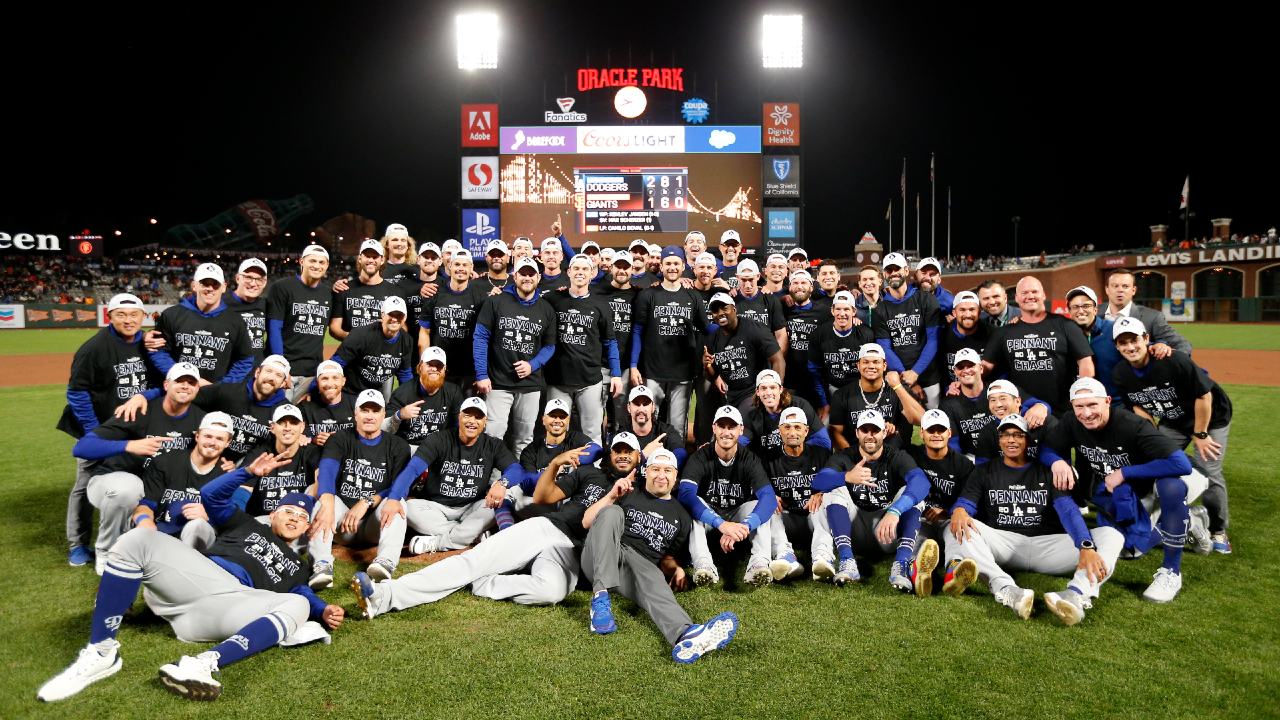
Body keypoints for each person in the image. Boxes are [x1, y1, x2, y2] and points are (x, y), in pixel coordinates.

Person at [36, 455, 342, 703]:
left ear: (306, 529)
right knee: (139, 539)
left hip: (225, 610)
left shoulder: (299, 567)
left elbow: (310, 599)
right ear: (273, 514)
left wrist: (325, 610)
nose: (294, 519)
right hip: (197, 578)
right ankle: (102, 653)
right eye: (288, 511)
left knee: (299, 604)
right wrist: (246, 472)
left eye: (302, 518)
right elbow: (210, 495)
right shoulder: (245, 523)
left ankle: (203, 663)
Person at [351, 439, 625, 616]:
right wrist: (554, 463)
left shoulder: (640, 495)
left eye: (629, 452)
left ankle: (485, 583)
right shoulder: (591, 473)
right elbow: (542, 497)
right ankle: (383, 596)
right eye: (618, 450)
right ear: (609, 454)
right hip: (547, 528)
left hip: (572, 552)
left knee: (551, 592)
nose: (622, 456)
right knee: (471, 562)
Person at [944, 413, 1124, 624]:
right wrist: (959, 509)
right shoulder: (984, 470)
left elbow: (1068, 511)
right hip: (1005, 545)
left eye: (1018, 435)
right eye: (1005, 435)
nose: (1011, 440)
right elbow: (967, 503)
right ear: (999, 440)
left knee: (1111, 535)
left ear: (1027, 440)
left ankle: (1077, 594)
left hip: (1048, 547)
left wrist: (1085, 546)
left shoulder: (1048, 472)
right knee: (955, 524)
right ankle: (1007, 590)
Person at [1041, 378, 1204, 602]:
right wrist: (1057, 462)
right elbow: (1046, 449)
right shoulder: (1072, 421)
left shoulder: (1131, 424)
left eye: (1092, 405)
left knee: (1171, 486)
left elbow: (1181, 465)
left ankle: (1171, 572)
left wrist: (1125, 472)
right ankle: (1188, 520)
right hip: (1131, 489)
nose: (1086, 413)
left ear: (1107, 401)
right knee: (1129, 551)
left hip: (1178, 475)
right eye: (1079, 406)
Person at [581, 449, 740, 663]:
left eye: (667, 470)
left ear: (676, 476)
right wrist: (611, 496)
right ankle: (600, 600)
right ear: (646, 472)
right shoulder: (628, 491)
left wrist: (675, 568)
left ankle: (686, 635)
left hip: (634, 570)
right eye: (655, 469)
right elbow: (586, 522)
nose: (661, 475)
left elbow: (666, 558)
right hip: (601, 555)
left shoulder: (682, 517)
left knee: (654, 575)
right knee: (612, 512)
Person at [1111, 317, 1232, 554]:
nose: (1130, 347)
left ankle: (1218, 530)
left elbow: (1204, 396)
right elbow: (1139, 407)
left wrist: (1201, 433)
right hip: (1173, 421)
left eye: (1134, 340)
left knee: (1210, 471)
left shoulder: (1173, 360)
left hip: (1210, 418)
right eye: (1123, 342)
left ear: (1146, 339)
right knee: (1155, 464)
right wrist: (1152, 437)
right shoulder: (1121, 373)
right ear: (1117, 346)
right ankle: (1172, 515)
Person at [72, 363, 207, 573]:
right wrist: (130, 445)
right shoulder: (139, 410)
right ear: (166, 384)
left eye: (191, 382)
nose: (185, 386)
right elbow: (82, 447)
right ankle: (107, 554)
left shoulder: (201, 418)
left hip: (155, 490)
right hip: (112, 482)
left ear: (198, 389)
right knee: (129, 489)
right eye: (179, 381)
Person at [58, 293, 157, 568]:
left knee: (134, 480)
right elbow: (76, 393)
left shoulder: (150, 344)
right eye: (121, 314)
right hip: (99, 426)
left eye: (134, 314)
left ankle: (130, 537)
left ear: (142, 316)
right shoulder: (94, 347)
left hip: (133, 427)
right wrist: (95, 433)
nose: (128, 320)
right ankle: (78, 544)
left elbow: (163, 382)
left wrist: (146, 397)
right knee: (84, 483)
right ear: (109, 317)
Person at [379, 397, 523, 555]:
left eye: (478, 417)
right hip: (436, 508)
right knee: (409, 508)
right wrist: (393, 498)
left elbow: (517, 470)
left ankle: (436, 543)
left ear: (485, 421)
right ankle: (472, 535)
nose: (472, 421)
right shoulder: (439, 440)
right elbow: (413, 469)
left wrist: (503, 483)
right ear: (459, 417)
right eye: (468, 415)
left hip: (472, 507)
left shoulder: (493, 445)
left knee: (494, 507)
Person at [811, 409, 931, 588]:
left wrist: (895, 510)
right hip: (852, 532)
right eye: (865, 430)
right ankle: (847, 560)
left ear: (884, 433)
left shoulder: (896, 456)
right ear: (857, 433)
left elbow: (921, 482)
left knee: (913, 495)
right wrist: (846, 477)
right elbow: (819, 481)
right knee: (832, 490)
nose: (870, 436)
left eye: (875, 431)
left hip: (886, 533)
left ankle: (902, 564)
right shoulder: (845, 456)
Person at [308, 389, 411, 586]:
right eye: (365, 410)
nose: (370, 416)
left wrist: (368, 501)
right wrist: (327, 501)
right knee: (325, 500)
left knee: (397, 503)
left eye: (375, 411)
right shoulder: (339, 438)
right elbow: (327, 470)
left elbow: (400, 486)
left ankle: (385, 562)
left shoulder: (398, 445)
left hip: (375, 524)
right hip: (340, 525)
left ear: (383, 415)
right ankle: (321, 565)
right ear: (355, 414)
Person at [119, 354, 294, 463]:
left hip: (242, 464)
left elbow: (296, 436)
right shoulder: (227, 392)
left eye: (278, 375)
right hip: (207, 455)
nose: (271, 378)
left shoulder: (285, 411)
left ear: (284, 382)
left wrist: (305, 437)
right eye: (268, 371)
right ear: (257, 373)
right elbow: (184, 394)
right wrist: (144, 395)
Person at [678, 406, 779, 587]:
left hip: (738, 514)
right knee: (694, 505)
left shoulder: (750, 459)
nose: (726, 432)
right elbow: (685, 495)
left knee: (757, 505)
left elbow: (769, 498)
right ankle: (704, 564)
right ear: (714, 428)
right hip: (709, 516)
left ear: (741, 430)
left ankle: (759, 563)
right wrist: (722, 525)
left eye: (731, 427)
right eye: (721, 426)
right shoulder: (700, 457)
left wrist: (745, 526)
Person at [473, 258, 557, 454]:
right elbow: (480, 338)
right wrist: (481, 375)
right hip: (497, 382)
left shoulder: (546, 309)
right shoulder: (496, 301)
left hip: (530, 384)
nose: (527, 278)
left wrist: (532, 365)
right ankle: (492, 482)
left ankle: (521, 483)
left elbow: (550, 346)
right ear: (514, 276)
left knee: (525, 440)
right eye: (522, 274)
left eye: (531, 274)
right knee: (493, 436)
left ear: (538, 277)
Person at [630, 247, 710, 442]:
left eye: (676, 264)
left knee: (677, 427)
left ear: (683, 266)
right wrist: (633, 365)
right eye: (668, 263)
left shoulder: (692, 296)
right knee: (648, 423)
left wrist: (737, 327)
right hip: (653, 370)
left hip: (682, 372)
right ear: (662, 266)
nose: (672, 267)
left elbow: (707, 328)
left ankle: (676, 467)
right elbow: (638, 331)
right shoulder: (649, 295)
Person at [982, 277, 1094, 415]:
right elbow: (985, 367)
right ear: (1016, 298)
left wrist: (1083, 396)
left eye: (1034, 292)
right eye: (1024, 293)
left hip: (1063, 412)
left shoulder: (1066, 325)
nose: (1030, 296)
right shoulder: (1004, 333)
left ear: (1043, 295)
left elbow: (1085, 362)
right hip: (1022, 411)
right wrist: (961, 381)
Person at [545, 255, 621, 446]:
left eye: (585, 269)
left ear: (592, 273)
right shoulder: (552, 299)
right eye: (576, 269)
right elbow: (525, 300)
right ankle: (561, 473)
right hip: (558, 380)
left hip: (590, 380)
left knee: (592, 432)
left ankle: (591, 474)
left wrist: (617, 374)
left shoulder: (601, 304)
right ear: (568, 272)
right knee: (556, 432)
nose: (580, 272)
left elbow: (610, 342)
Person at [134, 412, 237, 551]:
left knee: (198, 525)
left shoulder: (228, 476)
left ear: (227, 443)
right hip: (162, 531)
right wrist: (144, 521)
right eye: (208, 436)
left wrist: (211, 516)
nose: (212, 443)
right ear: (197, 436)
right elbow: (147, 503)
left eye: (219, 439)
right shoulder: (165, 462)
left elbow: (232, 522)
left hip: (200, 541)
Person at [499, 398, 601, 528]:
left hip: (573, 499)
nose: (557, 420)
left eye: (562, 417)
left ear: (568, 420)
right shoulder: (531, 450)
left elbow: (597, 450)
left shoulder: (575, 439)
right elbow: (528, 483)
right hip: (547, 500)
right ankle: (506, 531)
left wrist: (572, 460)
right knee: (509, 493)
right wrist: (552, 469)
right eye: (552, 416)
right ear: (544, 419)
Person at [904, 409, 973, 596]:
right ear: (922, 433)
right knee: (915, 533)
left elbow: (970, 499)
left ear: (949, 433)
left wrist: (947, 512)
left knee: (957, 529)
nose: (936, 434)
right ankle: (917, 570)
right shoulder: (909, 456)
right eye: (930, 430)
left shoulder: (963, 464)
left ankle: (953, 571)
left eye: (940, 430)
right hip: (919, 517)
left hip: (946, 519)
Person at [148, 263, 254, 385]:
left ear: (224, 287)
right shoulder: (172, 315)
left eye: (215, 284)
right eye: (204, 283)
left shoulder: (235, 320)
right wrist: (181, 376)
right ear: (194, 285)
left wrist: (221, 387)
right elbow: (158, 351)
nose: (210, 288)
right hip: (178, 390)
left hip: (215, 395)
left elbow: (245, 359)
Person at [760, 406, 832, 581]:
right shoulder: (766, 458)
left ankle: (822, 557)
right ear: (780, 430)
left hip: (814, 519)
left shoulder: (822, 455)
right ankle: (785, 556)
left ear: (806, 431)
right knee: (765, 504)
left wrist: (823, 492)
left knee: (826, 501)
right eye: (787, 427)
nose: (792, 432)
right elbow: (756, 485)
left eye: (797, 427)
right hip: (785, 520)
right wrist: (768, 495)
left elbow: (838, 485)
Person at [873, 252, 943, 408]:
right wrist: (907, 377)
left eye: (897, 269)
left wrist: (915, 373)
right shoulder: (880, 310)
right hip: (901, 379)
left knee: (935, 425)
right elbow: (885, 347)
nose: (893, 274)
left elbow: (934, 339)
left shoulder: (926, 299)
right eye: (889, 270)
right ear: (884, 274)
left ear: (906, 271)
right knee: (901, 428)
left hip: (929, 377)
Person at [828, 344, 924, 452]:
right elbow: (836, 433)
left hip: (894, 456)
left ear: (884, 366)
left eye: (876, 362)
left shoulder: (898, 389)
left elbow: (921, 420)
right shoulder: (842, 395)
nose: (871, 366)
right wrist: (852, 459)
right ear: (858, 365)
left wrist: (898, 387)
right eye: (866, 362)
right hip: (857, 454)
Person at [267, 244, 332, 402]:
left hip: (311, 372)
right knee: (277, 418)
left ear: (327, 266)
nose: (316, 266)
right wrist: (281, 368)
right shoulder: (282, 287)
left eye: (321, 262)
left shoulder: (329, 294)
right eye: (312, 261)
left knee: (301, 421)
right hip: (284, 368)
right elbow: (274, 328)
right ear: (302, 261)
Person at [704, 293, 785, 418]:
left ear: (734, 309)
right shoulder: (712, 339)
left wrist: (774, 391)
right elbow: (712, 376)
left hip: (754, 392)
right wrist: (707, 366)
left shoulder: (754, 329)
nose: (720, 313)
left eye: (725, 308)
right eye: (715, 311)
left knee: (745, 420)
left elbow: (778, 360)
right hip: (732, 394)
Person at [420, 251, 490, 394]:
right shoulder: (434, 293)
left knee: (467, 414)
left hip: (469, 369)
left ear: (472, 268)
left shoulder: (481, 297)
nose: (461, 268)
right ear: (449, 266)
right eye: (457, 264)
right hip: (440, 367)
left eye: (465, 265)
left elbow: (487, 337)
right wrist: (425, 364)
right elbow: (424, 333)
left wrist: (483, 371)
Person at [236, 404, 320, 520]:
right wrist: (235, 520)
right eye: (281, 423)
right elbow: (244, 489)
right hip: (262, 521)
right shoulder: (259, 454)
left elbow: (322, 479)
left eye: (294, 423)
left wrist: (304, 506)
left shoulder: (311, 452)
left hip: (296, 520)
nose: (287, 427)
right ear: (272, 428)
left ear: (302, 427)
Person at [325, 296, 415, 399]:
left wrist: (411, 397)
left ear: (405, 318)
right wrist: (313, 390)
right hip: (350, 392)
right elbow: (334, 364)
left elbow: (404, 373)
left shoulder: (406, 341)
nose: (394, 319)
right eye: (391, 314)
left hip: (375, 393)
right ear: (383, 315)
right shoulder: (362, 335)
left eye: (399, 315)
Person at [808, 290, 874, 420]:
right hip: (833, 388)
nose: (842, 314)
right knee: (825, 426)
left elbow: (875, 370)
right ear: (832, 311)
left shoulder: (865, 333)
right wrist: (823, 402)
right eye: (838, 309)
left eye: (846, 309)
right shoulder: (819, 334)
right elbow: (814, 371)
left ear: (854, 311)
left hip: (860, 389)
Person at [596, 252, 641, 432]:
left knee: (622, 415)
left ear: (632, 270)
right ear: (611, 268)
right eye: (618, 266)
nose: (622, 271)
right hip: (598, 362)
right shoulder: (597, 291)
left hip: (625, 364)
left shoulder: (639, 295)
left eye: (626, 267)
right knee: (596, 412)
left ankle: (617, 447)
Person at [384, 346, 462, 449]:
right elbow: (383, 429)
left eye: (439, 365)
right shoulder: (403, 393)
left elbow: (459, 427)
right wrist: (399, 415)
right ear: (420, 367)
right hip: (409, 447)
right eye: (429, 365)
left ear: (444, 369)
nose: (434, 369)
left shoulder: (453, 392)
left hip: (439, 448)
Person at [329, 239, 407, 341]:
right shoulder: (344, 289)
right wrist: (357, 338)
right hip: (352, 352)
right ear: (360, 258)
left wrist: (385, 336)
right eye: (367, 256)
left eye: (375, 257)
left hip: (382, 352)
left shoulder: (396, 292)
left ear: (382, 260)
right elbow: (334, 328)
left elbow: (404, 327)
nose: (371, 260)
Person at [1102, 270, 1192, 354]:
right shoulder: (1093, 313)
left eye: (1126, 286)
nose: (1120, 290)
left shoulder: (1152, 317)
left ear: (1133, 290)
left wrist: (1164, 351)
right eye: (1115, 286)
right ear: (1107, 290)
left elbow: (1184, 346)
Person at [971, 379, 1059, 465]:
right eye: (993, 400)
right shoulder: (987, 431)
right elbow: (982, 467)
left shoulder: (1046, 422)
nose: (998, 405)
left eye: (1003, 399)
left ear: (1017, 401)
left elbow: (1059, 459)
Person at [1065, 285, 1128, 405]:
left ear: (1095, 309)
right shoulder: (1064, 335)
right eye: (1075, 307)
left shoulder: (1114, 329)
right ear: (1070, 312)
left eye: (1086, 306)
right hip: (1080, 404)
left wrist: (1159, 345)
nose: (1081, 311)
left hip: (1116, 403)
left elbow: (1138, 346)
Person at [743, 369, 829, 454]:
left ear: (781, 389)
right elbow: (739, 446)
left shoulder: (800, 405)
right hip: (771, 464)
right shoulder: (752, 416)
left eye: (773, 387)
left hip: (801, 459)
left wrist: (794, 451)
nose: (768, 393)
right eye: (763, 388)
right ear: (757, 392)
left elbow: (824, 441)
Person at [611, 385, 687, 470]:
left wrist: (662, 466)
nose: (641, 409)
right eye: (636, 404)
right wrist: (643, 456)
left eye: (646, 404)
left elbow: (681, 454)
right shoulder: (621, 436)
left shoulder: (665, 432)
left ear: (653, 408)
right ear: (629, 407)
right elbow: (616, 469)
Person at [782, 270, 827, 409]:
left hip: (816, 381)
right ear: (790, 288)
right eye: (795, 283)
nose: (799, 286)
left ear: (811, 287)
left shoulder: (824, 312)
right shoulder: (782, 309)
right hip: (790, 381)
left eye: (803, 283)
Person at [938, 349, 996, 456]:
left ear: (981, 368)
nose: (966, 370)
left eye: (971, 366)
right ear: (955, 372)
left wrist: (1038, 406)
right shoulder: (948, 404)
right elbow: (953, 446)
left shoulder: (998, 393)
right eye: (961, 367)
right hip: (971, 460)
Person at [729, 259, 787, 352]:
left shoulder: (771, 300)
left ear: (758, 276)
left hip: (766, 357)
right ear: (737, 277)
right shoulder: (730, 301)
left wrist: (779, 361)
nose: (748, 285)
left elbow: (781, 334)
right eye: (743, 280)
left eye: (751, 279)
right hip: (740, 358)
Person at [393, 240, 443, 342]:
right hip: (410, 342)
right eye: (425, 257)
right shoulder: (403, 286)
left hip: (439, 343)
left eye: (433, 258)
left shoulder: (446, 285)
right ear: (418, 260)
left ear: (440, 261)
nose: (429, 260)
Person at [223, 258, 269, 365]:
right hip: (229, 372)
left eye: (259, 279)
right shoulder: (221, 303)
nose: (253, 284)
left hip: (256, 373)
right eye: (248, 277)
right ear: (238, 278)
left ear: (265, 283)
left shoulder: (266, 305)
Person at [940, 290, 990, 386]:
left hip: (984, 390)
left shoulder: (992, 334)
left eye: (972, 310)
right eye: (962, 310)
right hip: (952, 389)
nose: (967, 315)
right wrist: (948, 388)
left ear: (979, 312)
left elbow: (1000, 370)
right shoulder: (942, 334)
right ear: (954, 313)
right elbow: (939, 370)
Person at [299, 359, 355, 443]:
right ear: (317, 383)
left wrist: (340, 439)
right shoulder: (304, 407)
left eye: (335, 378)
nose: (330, 384)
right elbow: (303, 438)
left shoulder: (356, 405)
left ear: (343, 381)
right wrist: (313, 440)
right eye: (324, 379)